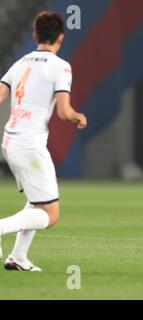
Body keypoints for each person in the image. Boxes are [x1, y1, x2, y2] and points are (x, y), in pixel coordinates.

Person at [0, 11, 87, 271]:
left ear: (35, 35)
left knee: (38, 200)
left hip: (10, 141)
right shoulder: (60, 66)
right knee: (50, 214)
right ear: (60, 38)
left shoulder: (20, 63)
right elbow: (63, 111)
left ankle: (18, 257)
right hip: (30, 145)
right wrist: (78, 117)